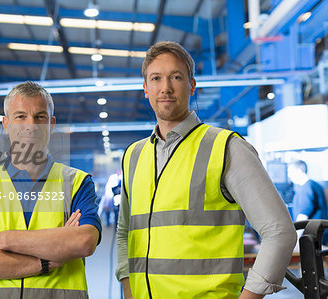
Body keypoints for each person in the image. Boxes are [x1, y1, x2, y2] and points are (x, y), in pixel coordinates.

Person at [116, 41, 297, 299]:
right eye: (156, 78)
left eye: (176, 77)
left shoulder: (226, 147)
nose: (165, 88)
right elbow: (125, 232)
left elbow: (280, 232)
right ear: (146, 88)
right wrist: (129, 288)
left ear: (192, 85)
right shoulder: (134, 155)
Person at [0, 81, 101, 298]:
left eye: (40, 117)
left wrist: (3, 240)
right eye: (20, 116)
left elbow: (83, 242)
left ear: (51, 124)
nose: (31, 125)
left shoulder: (77, 183)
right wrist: (45, 262)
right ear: (6, 124)